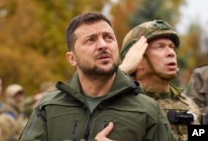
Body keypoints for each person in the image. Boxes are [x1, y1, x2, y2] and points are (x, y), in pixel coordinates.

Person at [19, 12, 173, 141]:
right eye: (90, 40)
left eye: (108, 38)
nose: (103, 45)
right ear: (72, 58)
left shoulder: (148, 110)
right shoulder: (49, 107)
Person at [119, 19, 201, 141]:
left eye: (172, 47)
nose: (171, 53)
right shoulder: (123, 107)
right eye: (160, 47)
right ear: (138, 60)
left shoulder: (190, 106)